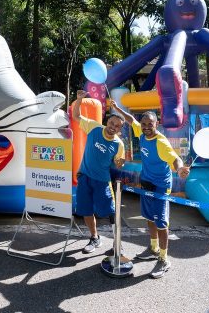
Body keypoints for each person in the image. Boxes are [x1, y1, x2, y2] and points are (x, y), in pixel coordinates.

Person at [111, 101, 190, 278]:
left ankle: (163, 258)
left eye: (150, 124)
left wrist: (179, 169)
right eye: (144, 124)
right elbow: (132, 121)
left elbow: (175, 158)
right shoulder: (141, 132)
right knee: (148, 217)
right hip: (146, 181)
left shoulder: (161, 142)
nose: (146, 127)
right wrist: (117, 109)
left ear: (157, 124)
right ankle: (153, 248)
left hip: (161, 186)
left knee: (161, 222)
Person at [72, 90, 125, 254]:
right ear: (106, 122)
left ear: (119, 129)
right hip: (85, 177)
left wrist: (120, 163)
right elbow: (76, 116)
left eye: (117, 126)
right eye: (112, 123)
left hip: (102, 181)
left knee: (110, 212)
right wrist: (79, 100)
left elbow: (118, 163)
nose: (113, 128)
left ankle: (117, 243)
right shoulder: (94, 127)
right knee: (86, 210)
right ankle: (94, 238)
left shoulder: (118, 144)